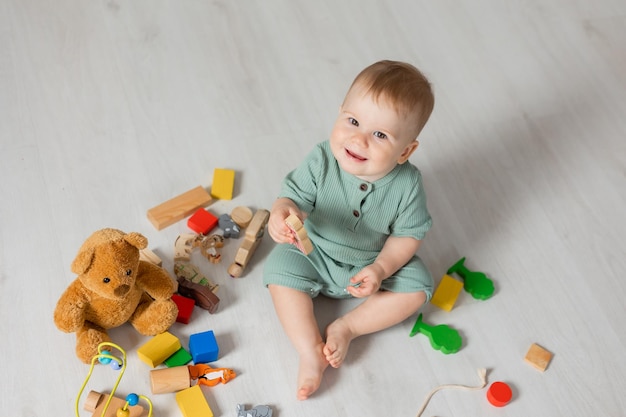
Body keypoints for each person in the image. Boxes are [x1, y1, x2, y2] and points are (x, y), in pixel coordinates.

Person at [263, 60, 435, 400]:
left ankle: (347, 327)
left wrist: (381, 268)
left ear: (406, 150)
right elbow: (293, 198)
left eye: (380, 135)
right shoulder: (322, 158)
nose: (358, 139)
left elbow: (407, 235)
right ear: (340, 112)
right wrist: (282, 214)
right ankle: (310, 349)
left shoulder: (408, 184)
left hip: (369, 264)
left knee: (418, 287)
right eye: (353, 121)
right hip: (312, 250)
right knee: (278, 269)